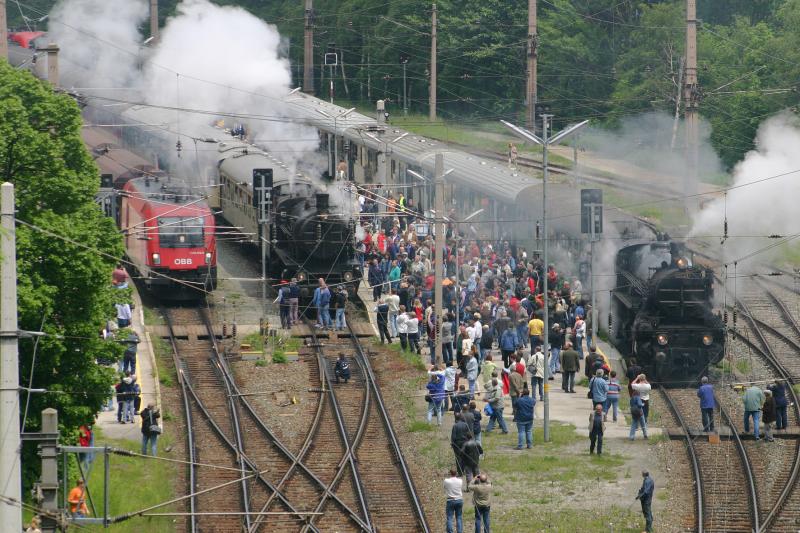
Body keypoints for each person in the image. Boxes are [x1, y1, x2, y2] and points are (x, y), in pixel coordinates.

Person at [443, 468, 463, 533]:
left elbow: (444, 487)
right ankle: (459, 531)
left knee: (449, 518)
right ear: (456, 473)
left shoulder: (446, 481)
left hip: (450, 500)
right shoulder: (460, 481)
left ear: (450, 473)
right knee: (459, 517)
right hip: (459, 500)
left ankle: (450, 532)